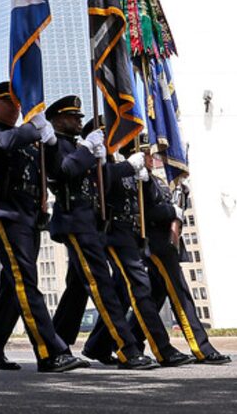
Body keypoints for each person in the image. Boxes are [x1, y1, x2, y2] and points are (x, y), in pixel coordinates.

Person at [0, 81, 87, 374]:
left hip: (29, 213)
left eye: (17, 101)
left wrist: (49, 144)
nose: (17, 107)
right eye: (10, 102)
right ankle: (50, 351)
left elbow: (51, 170)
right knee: (25, 281)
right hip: (7, 211)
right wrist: (32, 129)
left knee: (13, 287)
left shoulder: (25, 136)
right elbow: (1, 145)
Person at [45, 97, 156, 370]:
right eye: (74, 117)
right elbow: (64, 171)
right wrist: (87, 149)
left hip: (90, 223)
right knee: (101, 284)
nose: (80, 122)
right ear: (58, 119)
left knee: (76, 290)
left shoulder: (81, 147)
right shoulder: (55, 145)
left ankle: (55, 346)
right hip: (74, 222)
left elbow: (102, 181)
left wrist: (120, 165)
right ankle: (127, 349)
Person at [80, 133, 193, 368]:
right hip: (109, 231)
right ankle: (137, 349)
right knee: (129, 289)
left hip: (130, 233)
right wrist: (122, 166)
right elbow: (98, 185)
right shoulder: (98, 158)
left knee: (132, 290)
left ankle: (108, 346)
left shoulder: (126, 163)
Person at [138, 152, 230, 365]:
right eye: (145, 154)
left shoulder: (157, 180)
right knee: (180, 294)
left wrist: (182, 196)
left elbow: (172, 210)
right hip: (155, 244)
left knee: (155, 296)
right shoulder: (139, 180)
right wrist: (172, 209)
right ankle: (201, 348)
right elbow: (147, 213)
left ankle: (114, 342)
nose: (151, 157)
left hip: (166, 243)